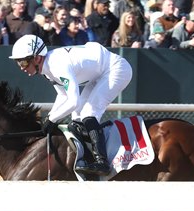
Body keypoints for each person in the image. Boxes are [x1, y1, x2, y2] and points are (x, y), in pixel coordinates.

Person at [9, 34, 133, 176]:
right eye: (18, 63)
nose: (21, 68)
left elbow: (73, 101)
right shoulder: (47, 70)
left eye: (23, 62)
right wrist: (49, 118)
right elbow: (63, 95)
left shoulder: (56, 65)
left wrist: (52, 120)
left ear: (37, 58)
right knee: (76, 118)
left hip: (116, 69)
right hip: (99, 74)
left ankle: (102, 162)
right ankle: (88, 157)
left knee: (88, 113)